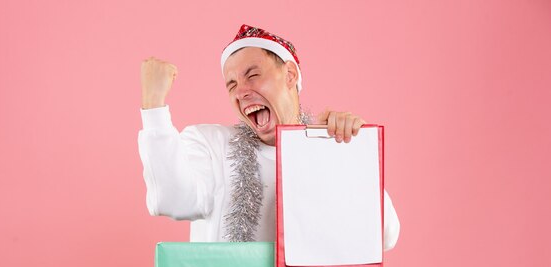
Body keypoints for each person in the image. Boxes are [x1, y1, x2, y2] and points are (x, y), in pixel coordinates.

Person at [138, 24, 400, 249]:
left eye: (252, 75)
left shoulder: (329, 145)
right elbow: (171, 198)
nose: (241, 92)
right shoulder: (211, 145)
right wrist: (154, 106)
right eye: (231, 85)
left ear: (290, 75)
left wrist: (346, 153)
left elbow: (384, 235)